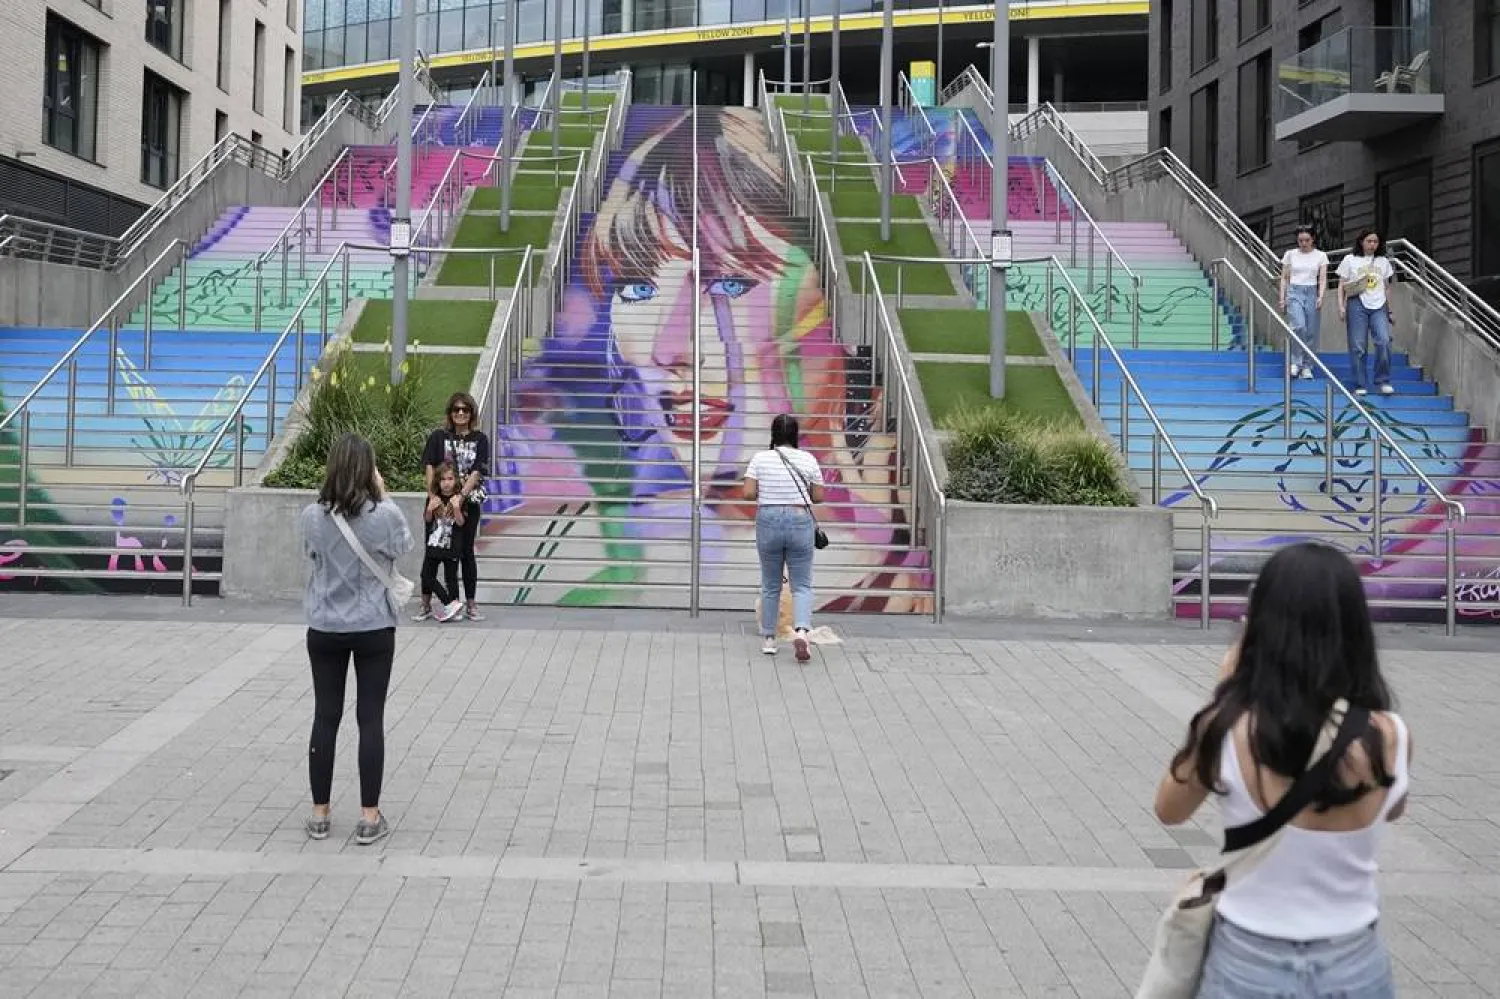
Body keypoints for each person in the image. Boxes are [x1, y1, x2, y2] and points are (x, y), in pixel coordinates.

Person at [1153, 542, 1410, 998]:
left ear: (1261, 626)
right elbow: (1393, 808)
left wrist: (1226, 694)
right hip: (1354, 964)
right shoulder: (1389, 736)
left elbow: (1169, 809)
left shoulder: (1226, 728)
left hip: (1245, 962)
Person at [298, 432, 413, 846]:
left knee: (325, 716)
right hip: (372, 626)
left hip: (325, 625)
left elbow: (311, 556)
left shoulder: (312, 515)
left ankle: (320, 814)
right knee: (370, 719)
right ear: (369, 470)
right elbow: (403, 546)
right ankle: (369, 816)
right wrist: (384, 495)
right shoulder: (384, 514)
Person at [743, 414, 825, 662]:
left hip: (768, 519)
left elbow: (748, 493)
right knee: (801, 584)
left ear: (774, 434)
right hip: (800, 519)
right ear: (795, 435)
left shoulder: (760, 459)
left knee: (771, 583)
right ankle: (801, 631)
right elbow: (819, 496)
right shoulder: (808, 459)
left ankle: (769, 639)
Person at [422, 392, 490, 620]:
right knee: (432, 552)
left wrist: (460, 496)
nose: (460, 413)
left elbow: (477, 470)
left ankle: (470, 603)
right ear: (450, 413)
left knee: (466, 552)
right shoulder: (438, 437)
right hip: (438, 501)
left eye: (465, 410)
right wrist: (433, 498)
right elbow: (430, 467)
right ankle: (427, 604)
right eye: (456, 410)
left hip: (466, 502)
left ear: (472, 413)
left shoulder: (480, 439)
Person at [1336, 229, 1397, 397]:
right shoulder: (1350, 259)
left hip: (1379, 305)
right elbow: (1341, 285)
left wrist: (1390, 310)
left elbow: (1387, 287)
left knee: (1384, 340)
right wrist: (1341, 306)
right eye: (1369, 241)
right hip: (1357, 304)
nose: (1372, 245)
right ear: (1361, 242)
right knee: (1358, 346)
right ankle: (1360, 383)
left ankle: (1382, 380)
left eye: (1375, 242)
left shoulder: (1383, 261)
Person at [415, 461, 465, 623]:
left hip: (452, 545)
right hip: (434, 544)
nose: (446, 483)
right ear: (438, 481)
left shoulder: (459, 498)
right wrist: (430, 508)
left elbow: (461, 523)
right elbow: (427, 519)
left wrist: (456, 507)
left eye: (450, 479)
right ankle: (450, 603)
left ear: (455, 480)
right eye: (443, 479)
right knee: (426, 575)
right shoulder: (434, 498)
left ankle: (454, 607)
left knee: (451, 578)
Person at [1278, 225, 1328, 381]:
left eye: (1307, 240)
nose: (1303, 243)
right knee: (1298, 326)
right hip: (1295, 291)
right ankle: (1296, 362)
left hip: (1312, 291)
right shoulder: (1290, 254)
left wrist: (1320, 296)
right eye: (1300, 240)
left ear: (1313, 239)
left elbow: (1322, 278)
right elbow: (1284, 278)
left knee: (1311, 331)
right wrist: (1282, 298)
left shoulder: (1320, 256)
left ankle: (1307, 366)